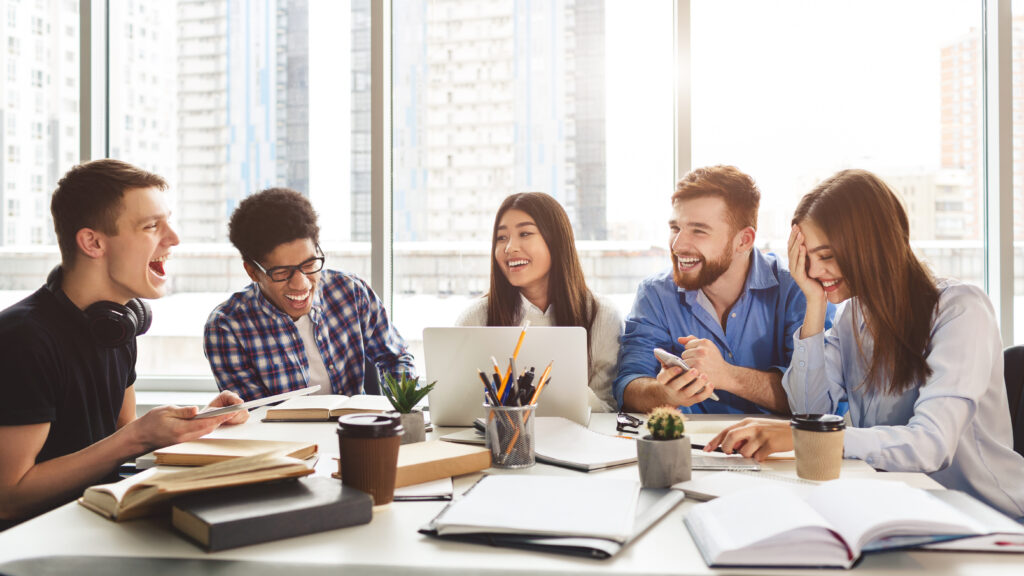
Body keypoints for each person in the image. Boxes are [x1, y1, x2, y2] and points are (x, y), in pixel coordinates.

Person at [705, 169, 1024, 518]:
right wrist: (814, 303)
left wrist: (810, 436)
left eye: (826, 256)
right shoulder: (851, 315)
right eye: (807, 258)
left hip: (988, 515)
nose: (814, 271)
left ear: (872, 246)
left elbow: (931, 445)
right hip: (902, 507)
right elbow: (808, 409)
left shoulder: (960, 309)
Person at [0, 160, 247, 528]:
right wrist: (137, 437)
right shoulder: (23, 339)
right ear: (93, 242)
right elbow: (9, 498)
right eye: (151, 226)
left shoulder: (115, 326)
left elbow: (120, 438)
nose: (173, 238)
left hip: (96, 523)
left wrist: (198, 423)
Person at [614, 165, 833, 415]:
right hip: (688, 439)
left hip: (776, 441)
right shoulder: (655, 294)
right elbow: (627, 385)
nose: (677, 245)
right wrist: (663, 394)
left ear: (744, 240)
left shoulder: (798, 290)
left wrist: (727, 375)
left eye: (699, 231)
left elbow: (818, 402)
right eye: (675, 228)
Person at [204, 188, 415, 401]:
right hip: (286, 426)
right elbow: (254, 414)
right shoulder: (227, 327)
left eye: (309, 264)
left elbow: (396, 358)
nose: (301, 284)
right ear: (252, 272)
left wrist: (400, 406)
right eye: (282, 272)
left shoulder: (351, 291)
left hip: (359, 422)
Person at [455, 192, 622, 412]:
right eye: (501, 237)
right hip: (497, 434)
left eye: (525, 233)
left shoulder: (602, 316)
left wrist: (567, 391)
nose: (510, 247)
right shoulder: (475, 319)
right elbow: (458, 408)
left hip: (578, 434)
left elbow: (609, 409)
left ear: (556, 241)